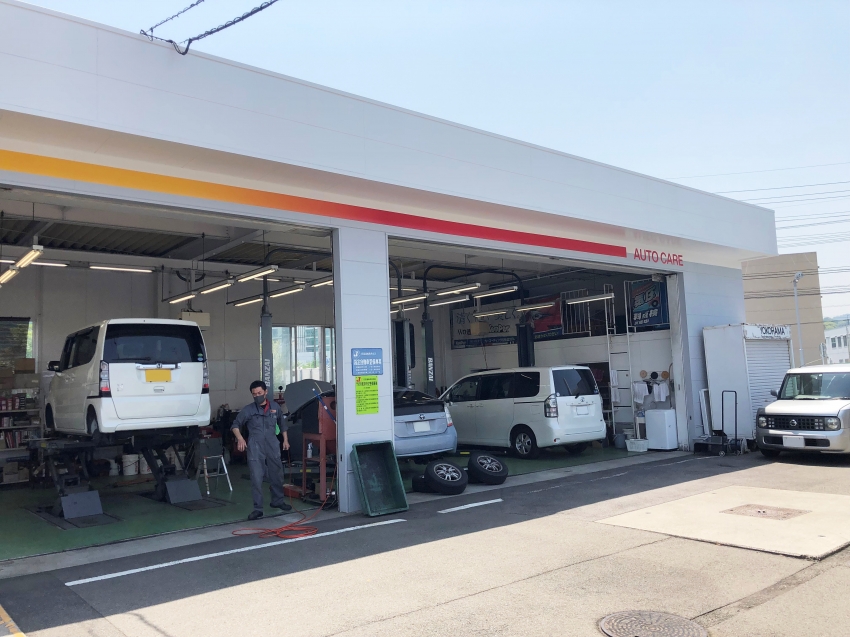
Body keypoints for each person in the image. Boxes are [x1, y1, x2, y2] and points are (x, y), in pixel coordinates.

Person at [231, 380, 292, 520]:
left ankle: (277, 501)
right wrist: (240, 438)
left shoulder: (275, 407)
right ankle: (258, 509)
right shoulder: (248, 410)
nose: (257, 396)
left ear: (265, 392)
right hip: (255, 446)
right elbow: (235, 425)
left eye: (259, 393)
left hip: (272, 444)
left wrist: (285, 440)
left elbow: (282, 425)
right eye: (254, 394)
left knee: (277, 474)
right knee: (256, 477)